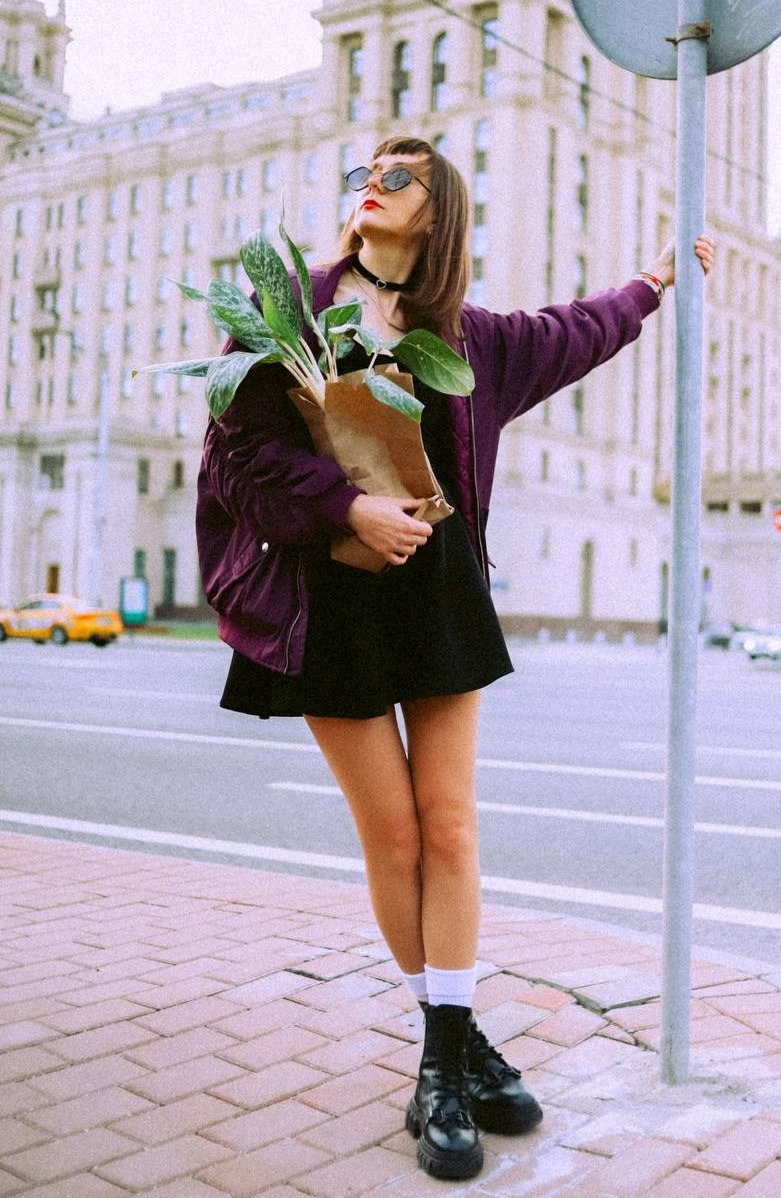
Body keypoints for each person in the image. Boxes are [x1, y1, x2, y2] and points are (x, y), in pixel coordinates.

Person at [196, 136, 715, 1181]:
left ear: (435, 214)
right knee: (393, 838)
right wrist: (343, 508)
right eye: (362, 174)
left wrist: (652, 282)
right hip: (327, 600)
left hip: (436, 594)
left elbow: (574, 331)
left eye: (397, 177)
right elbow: (236, 460)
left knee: (451, 823)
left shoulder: (466, 339)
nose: (370, 186)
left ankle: (441, 1063)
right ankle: (461, 1038)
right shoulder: (287, 314)